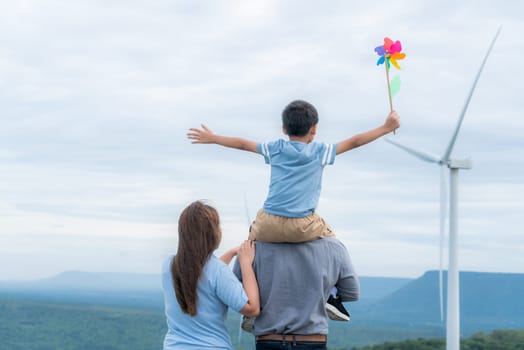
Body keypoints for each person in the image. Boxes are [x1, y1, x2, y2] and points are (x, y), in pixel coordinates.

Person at [187, 100, 399, 320]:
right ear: (314, 129)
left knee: (250, 245)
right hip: (303, 224)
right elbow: (355, 142)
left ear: (284, 129)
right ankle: (331, 296)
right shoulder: (320, 152)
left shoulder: (276, 149)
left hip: (268, 223)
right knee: (332, 242)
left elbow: (242, 144)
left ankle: (250, 302)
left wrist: (213, 138)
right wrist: (385, 127)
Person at [161, 201, 260, 349]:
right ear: (212, 234)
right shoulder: (218, 271)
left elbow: (203, 274)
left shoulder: (169, 266)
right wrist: (245, 264)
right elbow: (252, 308)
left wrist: (231, 253)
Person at [233, 238, 360, 350]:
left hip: (268, 340)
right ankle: (328, 296)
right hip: (313, 340)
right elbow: (351, 293)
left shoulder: (250, 248)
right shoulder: (334, 246)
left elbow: (237, 295)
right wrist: (325, 290)